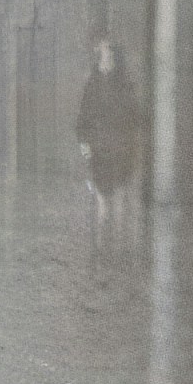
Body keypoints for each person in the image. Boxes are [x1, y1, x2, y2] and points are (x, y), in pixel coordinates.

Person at [75, 36, 144, 235]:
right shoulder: (93, 84)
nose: (107, 59)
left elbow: (135, 115)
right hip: (99, 147)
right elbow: (83, 117)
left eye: (110, 55)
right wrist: (84, 143)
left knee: (120, 194)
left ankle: (117, 242)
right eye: (104, 56)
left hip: (120, 146)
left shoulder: (124, 84)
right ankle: (102, 241)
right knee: (102, 196)